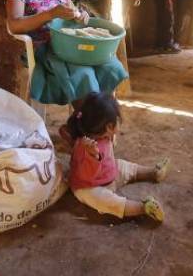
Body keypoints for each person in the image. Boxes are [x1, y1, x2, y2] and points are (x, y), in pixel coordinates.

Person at [5, 0, 128, 106]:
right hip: (43, 48)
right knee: (83, 74)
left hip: (70, 45)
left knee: (110, 66)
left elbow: (72, 15)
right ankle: (85, 123)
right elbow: (14, 25)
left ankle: (100, 117)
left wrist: (80, 16)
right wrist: (49, 14)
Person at [67, 92, 169, 222]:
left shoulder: (103, 135)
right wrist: (93, 156)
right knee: (106, 202)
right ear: (109, 126)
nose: (119, 123)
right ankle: (143, 207)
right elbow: (87, 176)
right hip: (90, 186)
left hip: (108, 174)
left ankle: (153, 172)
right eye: (117, 120)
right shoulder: (86, 148)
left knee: (122, 165)